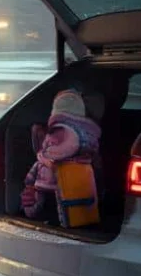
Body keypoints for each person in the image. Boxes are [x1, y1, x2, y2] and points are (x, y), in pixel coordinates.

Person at [21, 88, 102, 224]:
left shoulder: (61, 133)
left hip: (53, 188)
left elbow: (64, 149)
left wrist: (45, 156)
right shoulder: (88, 140)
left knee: (54, 207)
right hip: (75, 188)